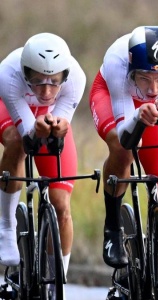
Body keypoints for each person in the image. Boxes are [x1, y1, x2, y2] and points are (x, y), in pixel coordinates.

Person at [89, 26, 158, 274]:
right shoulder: (117, 61)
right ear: (132, 71)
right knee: (122, 148)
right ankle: (112, 227)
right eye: (145, 78)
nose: (153, 88)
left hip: (154, 108)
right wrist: (138, 116)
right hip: (114, 96)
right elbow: (127, 137)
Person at [0, 32, 86, 281]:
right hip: (9, 105)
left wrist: (58, 129)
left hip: (48, 115)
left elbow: (58, 131)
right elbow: (29, 136)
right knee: (17, 142)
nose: (47, 91)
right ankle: (6, 225)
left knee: (61, 204)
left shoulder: (76, 77)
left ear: (64, 77)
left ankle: (58, 280)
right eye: (38, 81)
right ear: (26, 73)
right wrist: (36, 130)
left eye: (54, 82)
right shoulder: (8, 74)